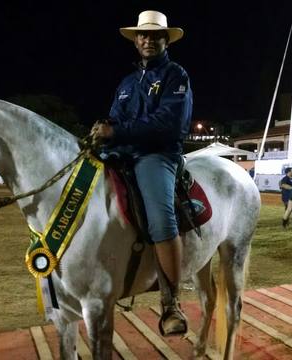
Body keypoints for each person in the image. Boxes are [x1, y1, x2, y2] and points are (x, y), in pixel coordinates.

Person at [91, 10, 192, 336]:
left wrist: (117, 133)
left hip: (156, 155)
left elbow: (169, 123)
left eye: (155, 35)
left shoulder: (176, 75)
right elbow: (115, 119)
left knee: (161, 219)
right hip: (122, 153)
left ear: (166, 40)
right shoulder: (127, 83)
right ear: (136, 40)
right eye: (142, 35)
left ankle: (171, 302)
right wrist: (104, 132)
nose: (148, 40)